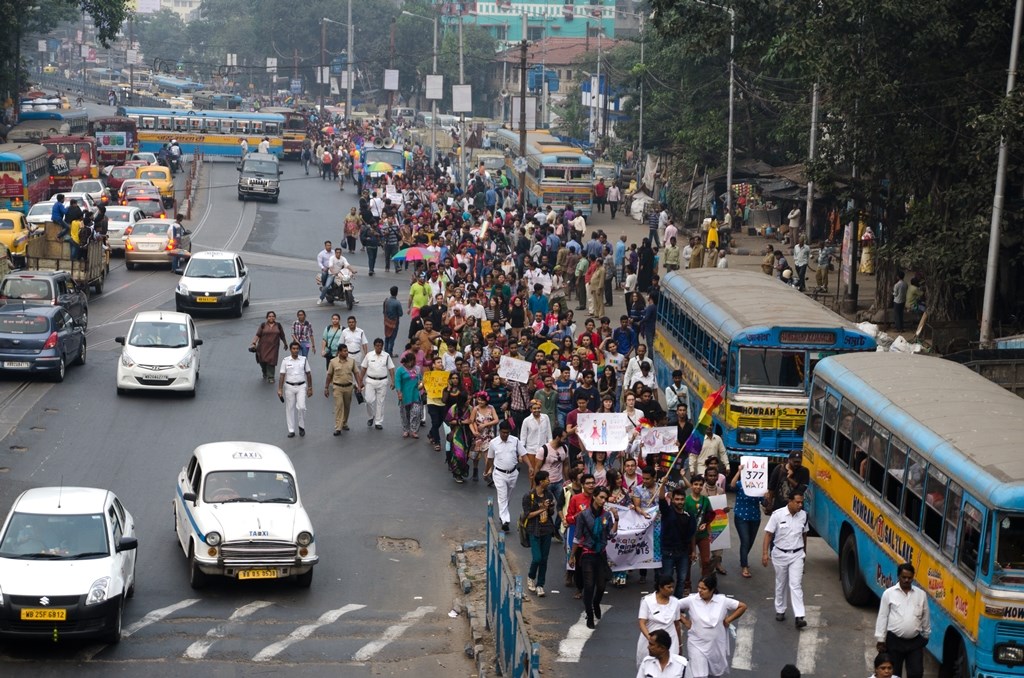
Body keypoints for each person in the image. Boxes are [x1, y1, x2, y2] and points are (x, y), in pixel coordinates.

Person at [678, 574, 747, 678]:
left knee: (714, 674)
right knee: (700, 675)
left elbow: (742, 606)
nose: (700, 590)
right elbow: (672, 606)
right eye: (699, 587)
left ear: (712, 590)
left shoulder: (722, 601)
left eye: (704, 588)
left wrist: (728, 619)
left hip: (716, 645)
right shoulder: (692, 600)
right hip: (696, 644)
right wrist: (685, 621)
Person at [571, 485, 618, 628]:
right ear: (595, 497)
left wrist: (616, 520)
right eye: (601, 497)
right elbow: (577, 537)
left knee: (602, 585)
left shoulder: (606, 515)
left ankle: (596, 603)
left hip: (601, 554)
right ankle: (589, 614)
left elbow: (611, 534)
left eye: (605, 498)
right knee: (589, 585)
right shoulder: (584, 515)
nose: (603, 501)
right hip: (587, 554)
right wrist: (572, 555)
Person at [762, 487, 810, 628]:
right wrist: (765, 553)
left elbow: (804, 535)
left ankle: (799, 616)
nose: (800, 505)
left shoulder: (804, 515)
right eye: (798, 502)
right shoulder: (777, 515)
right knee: (781, 582)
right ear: (790, 501)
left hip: (797, 554)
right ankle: (780, 610)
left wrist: (804, 554)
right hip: (780, 554)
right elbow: (768, 534)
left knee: (795, 585)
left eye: (802, 502)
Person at [874, 563, 929, 678]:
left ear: (913, 577)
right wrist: (881, 639)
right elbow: (883, 616)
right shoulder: (888, 594)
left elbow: (925, 616)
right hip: (894, 641)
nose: (906, 580)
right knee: (894, 673)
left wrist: (925, 636)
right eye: (904, 577)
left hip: (915, 642)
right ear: (898, 576)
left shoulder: (921, 595)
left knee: (916, 673)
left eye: (909, 578)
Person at [484, 420, 529, 532]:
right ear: (499, 431)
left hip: (513, 473)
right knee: (502, 496)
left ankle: (503, 514)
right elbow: (490, 459)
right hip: (499, 473)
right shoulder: (493, 443)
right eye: (503, 432)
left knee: (508, 496)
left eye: (507, 432)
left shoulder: (515, 441)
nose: (505, 435)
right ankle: (505, 521)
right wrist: (486, 471)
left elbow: (524, 454)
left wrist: (530, 466)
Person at [636, 573, 684, 667]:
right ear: (660, 587)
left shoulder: (675, 602)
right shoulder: (647, 601)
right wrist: (651, 640)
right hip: (651, 643)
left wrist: (679, 644)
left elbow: (677, 625)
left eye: (672, 587)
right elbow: (642, 623)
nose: (671, 590)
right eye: (668, 587)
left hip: (671, 642)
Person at [523, 470, 558, 598]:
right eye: (547, 479)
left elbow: (551, 513)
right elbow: (528, 515)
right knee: (537, 557)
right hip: (534, 529)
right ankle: (531, 576)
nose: (549, 481)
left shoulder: (549, 494)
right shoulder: (529, 496)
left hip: (547, 529)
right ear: (540, 482)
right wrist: (542, 508)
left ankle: (540, 584)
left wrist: (549, 508)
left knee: (544, 559)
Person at [660, 485, 696, 597]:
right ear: (672, 499)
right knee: (667, 579)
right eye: (677, 499)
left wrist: (694, 551)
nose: (679, 502)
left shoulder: (689, 516)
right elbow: (661, 498)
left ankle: (678, 603)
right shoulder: (667, 512)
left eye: (682, 499)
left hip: (683, 552)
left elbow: (692, 534)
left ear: (685, 500)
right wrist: (662, 484)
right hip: (668, 551)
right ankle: (665, 601)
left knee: (682, 579)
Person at [728, 463, 763, 579]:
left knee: (750, 542)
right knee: (745, 540)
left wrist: (767, 494)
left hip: (755, 517)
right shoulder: (740, 484)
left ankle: (743, 558)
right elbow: (732, 485)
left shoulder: (759, 487)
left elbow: (765, 503)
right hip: (741, 516)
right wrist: (738, 471)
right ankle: (744, 565)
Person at [277, 341, 313, 438]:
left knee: (301, 407)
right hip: (289, 386)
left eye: (297, 349)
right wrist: (280, 389)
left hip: (301, 386)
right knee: (290, 408)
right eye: (294, 349)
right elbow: (282, 375)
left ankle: (301, 426)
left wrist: (310, 388)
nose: (295, 351)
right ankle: (291, 430)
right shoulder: (285, 360)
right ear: (290, 350)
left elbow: (308, 374)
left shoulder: (304, 360)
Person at [359, 338, 395, 430]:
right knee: (368, 400)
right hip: (370, 381)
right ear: (374, 346)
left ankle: (378, 422)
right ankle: (371, 416)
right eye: (377, 346)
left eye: (380, 346)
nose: (379, 347)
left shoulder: (386, 356)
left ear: (382, 346)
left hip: (382, 381)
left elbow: (391, 369)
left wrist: (393, 381)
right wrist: (360, 381)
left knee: (380, 402)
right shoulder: (369, 355)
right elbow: (363, 368)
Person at [324, 345, 357, 434]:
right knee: (339, 406)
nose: (346, 352)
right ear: (339, 352)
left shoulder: (351, 361)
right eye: (344, 351)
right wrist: (326, 387)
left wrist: (359, 385)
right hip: (337, 387)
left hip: (348, 387)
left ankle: (344, 423)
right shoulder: (333, 362)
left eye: (347, 351)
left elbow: (356, 373)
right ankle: (338, 427)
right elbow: (329, 375)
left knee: (347, 406)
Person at [470, 391, 500, 482]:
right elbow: (471, 422)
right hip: (478, 436)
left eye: (482, 400)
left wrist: (485, 425)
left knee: (488, 455)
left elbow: (496, 420)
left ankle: (488, 473)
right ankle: (475, 470)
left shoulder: (491, 408)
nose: (480, 402)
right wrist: (474, 432)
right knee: (476, 456)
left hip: (488, 435)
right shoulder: (476, 409)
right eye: (479, 400)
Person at [251, 311, 288, 382]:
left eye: (273, 316)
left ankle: (271, 377)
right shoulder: (263, 325)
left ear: (275, 317)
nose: (271, 317)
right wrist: (254, 342)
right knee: (263, 361)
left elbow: (282, 335)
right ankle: (265, 372)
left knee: (271, 361)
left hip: (274, 347)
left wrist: (285, 343)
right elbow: (258, 335)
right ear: (267, 318)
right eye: (269, 316)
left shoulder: (278, 325)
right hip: (262, 347)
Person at [395, 353, 423, 439]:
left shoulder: (417, 369)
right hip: (405, 395)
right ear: (407, 361)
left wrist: (421, 384)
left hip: (415, 394)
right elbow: (397, 382)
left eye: (414, 361)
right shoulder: (400, 370)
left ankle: (414, 430)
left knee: (416, 412)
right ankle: (406, 430)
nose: (413, 363)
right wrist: (399, 393)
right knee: (405, 413)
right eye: (411, 361)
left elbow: (421, 379)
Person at [383, 286, 404, 355]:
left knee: (387, 336)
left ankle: (385, 351)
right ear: (397, 293)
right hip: (394, 322)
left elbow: (384, 311)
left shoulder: (386, 301)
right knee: (392, 338)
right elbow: (401, 314)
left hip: (386, 322)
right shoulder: (397, 303)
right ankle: (390, 352)